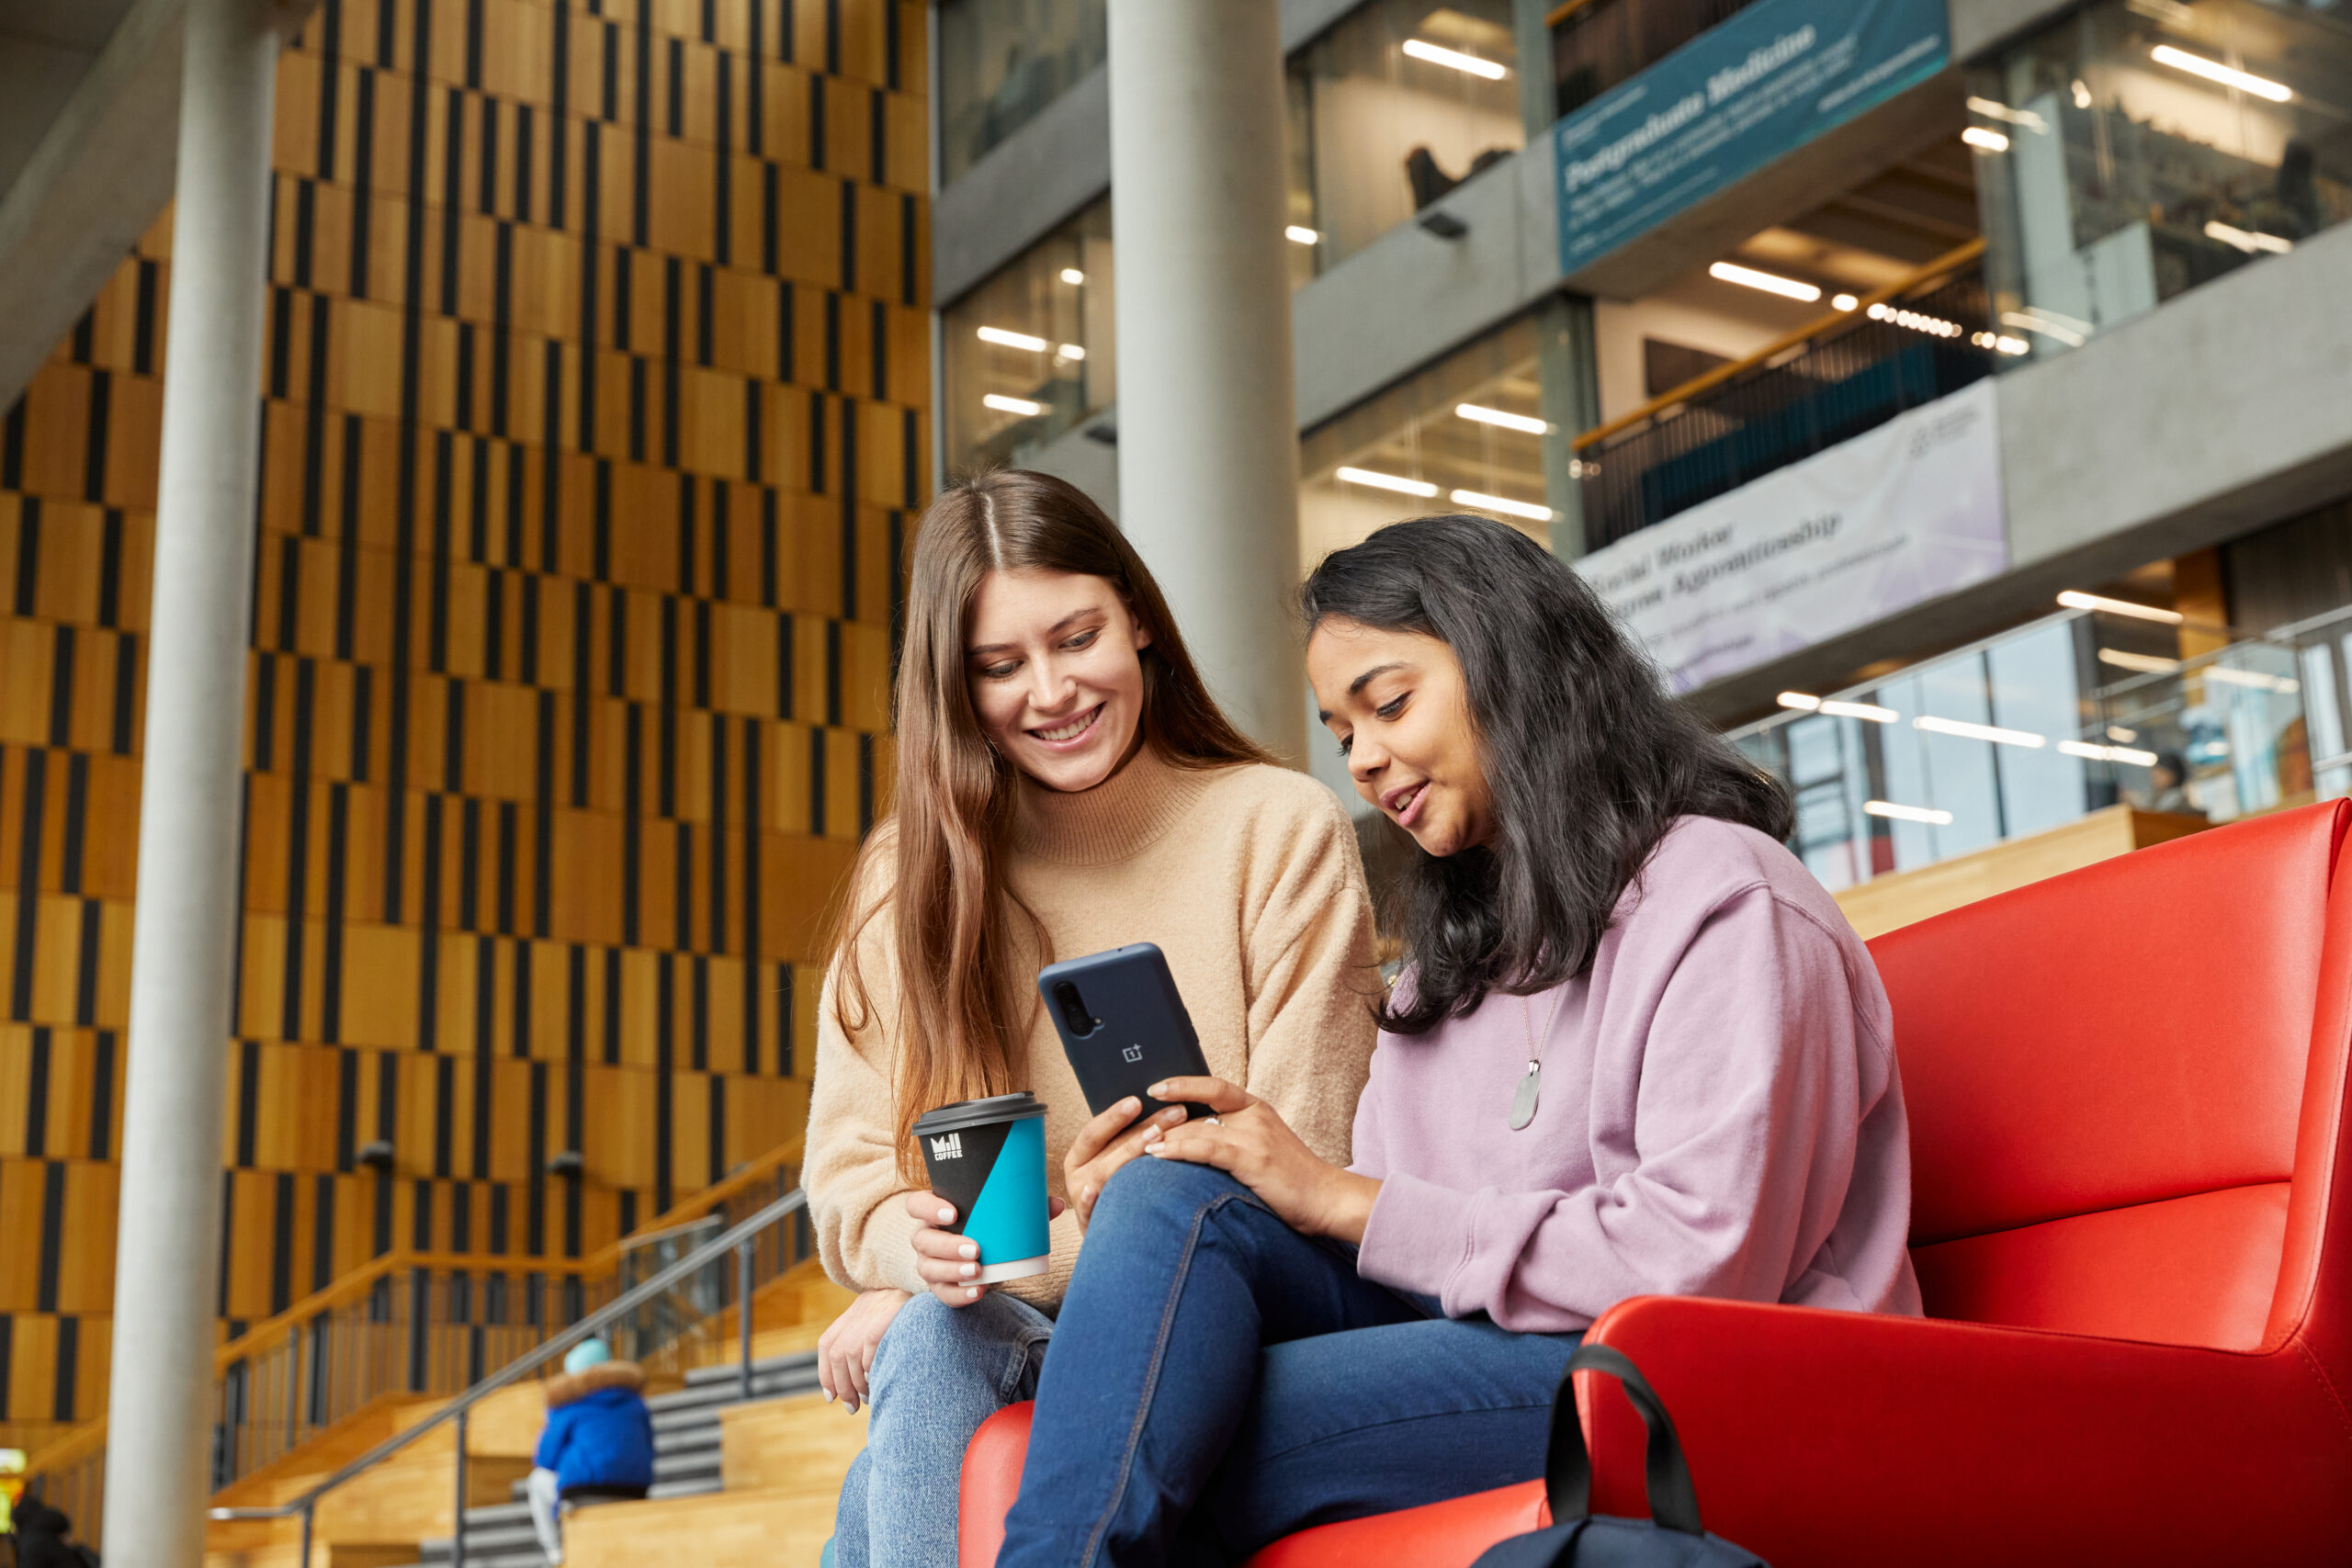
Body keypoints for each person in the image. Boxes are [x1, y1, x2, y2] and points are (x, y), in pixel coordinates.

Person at [992, 513, 1922, 1567]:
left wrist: (1342, 1198)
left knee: (1169, 1428)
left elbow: (1701, 1264)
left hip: (1701, 1369)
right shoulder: (1447, 971)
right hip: (1501, 1347)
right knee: (1176, 1194)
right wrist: (1221, 1199)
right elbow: (1402, 1270)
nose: (1366, 761)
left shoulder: (1728, 900)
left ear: (1509, 660)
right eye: (1342, 734)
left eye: (1388, 704)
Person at [805, 469, 1381, 1568]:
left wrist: (971, 1282)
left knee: (926, 1347)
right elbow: (852, 1179)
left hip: (1218, 1317)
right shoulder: (912, 876)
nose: (1052, 690)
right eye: (999, 666)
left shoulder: (1273, 829)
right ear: (953, 690)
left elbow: (1311, 1157)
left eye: (1077, 638)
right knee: (934, 1332)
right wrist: (912, 1254)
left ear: (1142, 625)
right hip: (998, 1325)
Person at [526, 1337, 653, 1565]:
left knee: (536, 1481)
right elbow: (649, 1447)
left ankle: (556, 1551)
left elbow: (545, 1459)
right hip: (636, 1488)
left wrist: (548, 1423)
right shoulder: (635, 1402)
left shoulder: (569, 1404)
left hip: (583, 1489)